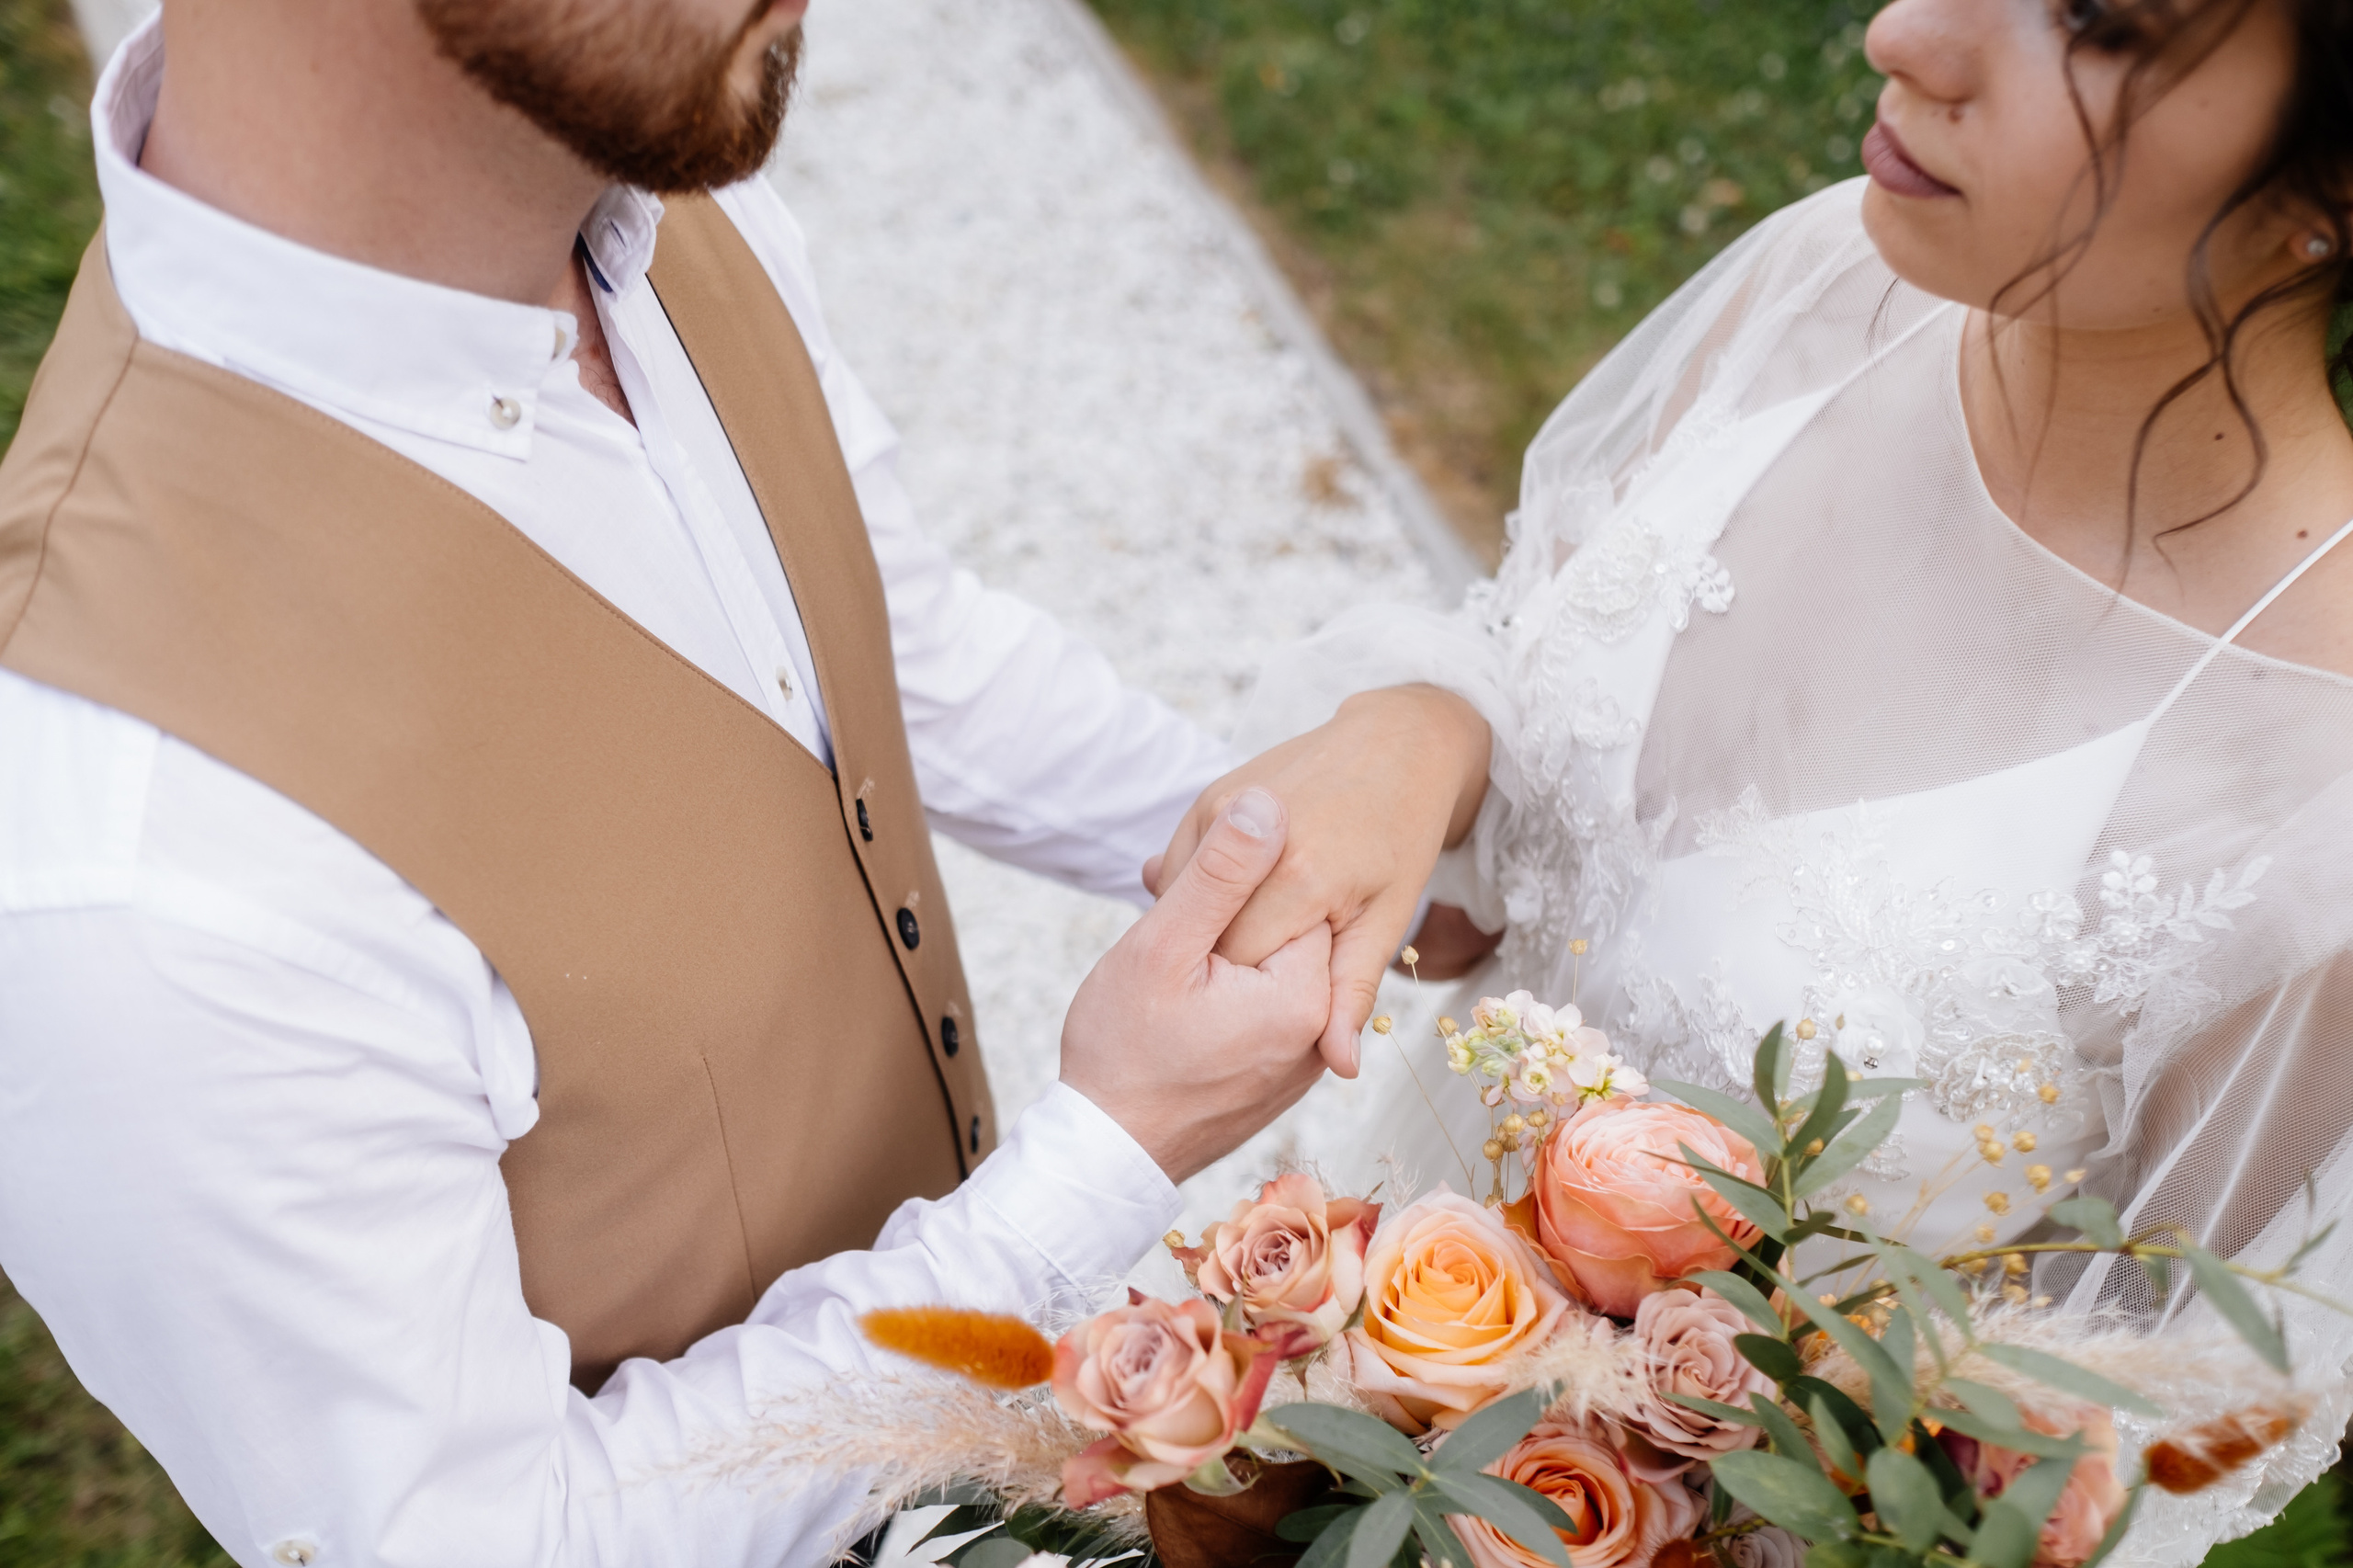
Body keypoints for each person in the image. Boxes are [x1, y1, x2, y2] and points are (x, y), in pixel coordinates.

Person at [0, 0, 1344, 1562]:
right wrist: (1104, 1154)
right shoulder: (136, 860)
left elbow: (884, 639)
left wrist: (1302, 850)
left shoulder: (640, 171)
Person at [1164, 0, 2353, 1555]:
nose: (1903, 33)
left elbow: (2111, 1455)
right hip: (1320, 1387)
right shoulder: (1822, 287)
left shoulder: (2310, 782)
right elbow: (1533, 716)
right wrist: (1426, 724)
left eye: (2100, 21)